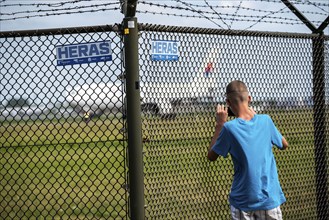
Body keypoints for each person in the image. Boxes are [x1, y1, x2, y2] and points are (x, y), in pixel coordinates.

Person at [207, 80, 289, 220]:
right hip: (268, 197)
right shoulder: (266, 120)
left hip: (242, 200)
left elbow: (211, 156)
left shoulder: (229, 128)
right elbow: (284, 144)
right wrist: (258, 120)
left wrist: (220, 124)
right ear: (249, 98)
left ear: (228, 102)